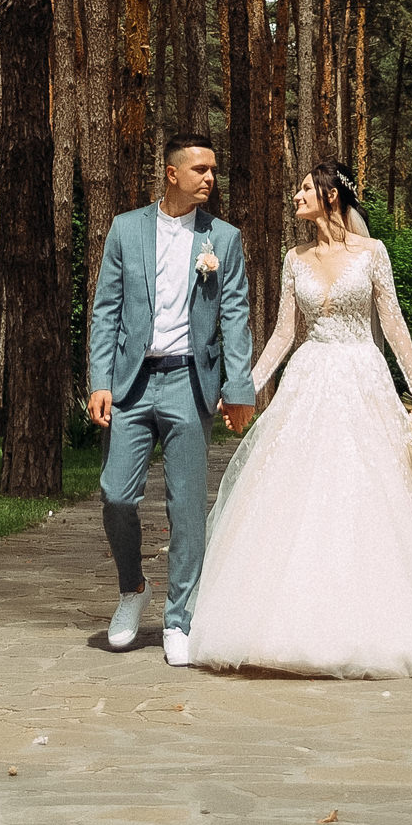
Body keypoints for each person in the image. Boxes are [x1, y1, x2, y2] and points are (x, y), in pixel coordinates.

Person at [185, 162, 412, 678]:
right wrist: (244, 386)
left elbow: (393, 321)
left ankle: (381, 624)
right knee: (297, 494)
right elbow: (284, 333)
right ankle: (285, 625)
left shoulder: (372, 253)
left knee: (370, 494)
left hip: (363, 378)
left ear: (331, 197)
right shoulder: (295, 259)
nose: (296, 195)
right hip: (309, 380)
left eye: (306, 188)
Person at [86, 133, 256, 666]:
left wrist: (238, 386)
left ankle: (180, 618)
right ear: (172, 173)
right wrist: (99, 379)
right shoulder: (125, 228)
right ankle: (132, 588)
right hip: (132, 383)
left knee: (187, 507)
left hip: (189, 381)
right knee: (116, 494)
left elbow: (235, 315)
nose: (210, 178)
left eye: (214, 169)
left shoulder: (223, 239)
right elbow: (105, 310)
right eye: (200, 169)